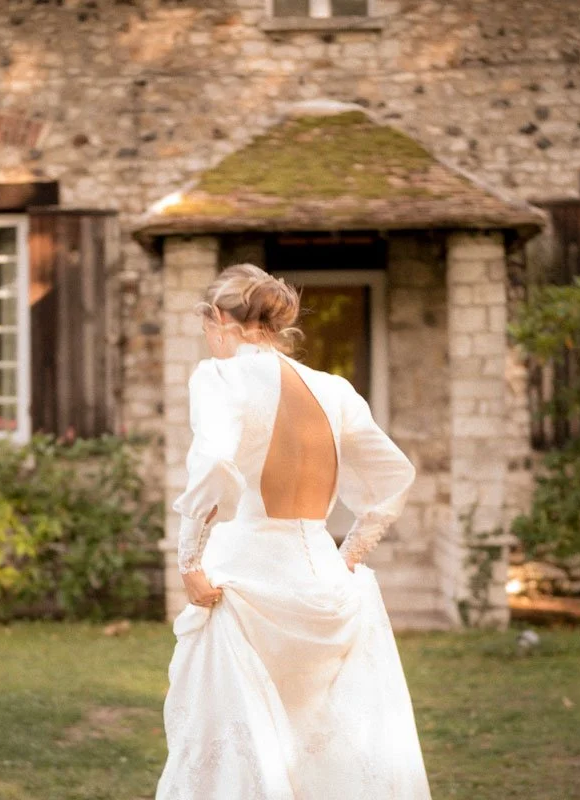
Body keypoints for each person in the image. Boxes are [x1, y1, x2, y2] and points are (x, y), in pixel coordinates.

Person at [155, 264, 433, 800]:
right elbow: (394, 475)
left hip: (246, 588)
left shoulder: (221, 376)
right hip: (325, 583)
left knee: (238, 748)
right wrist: (349, 553)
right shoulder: (335, 390)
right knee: (323, 747)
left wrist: (189, 560)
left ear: (219, 319)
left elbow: (213, 464)